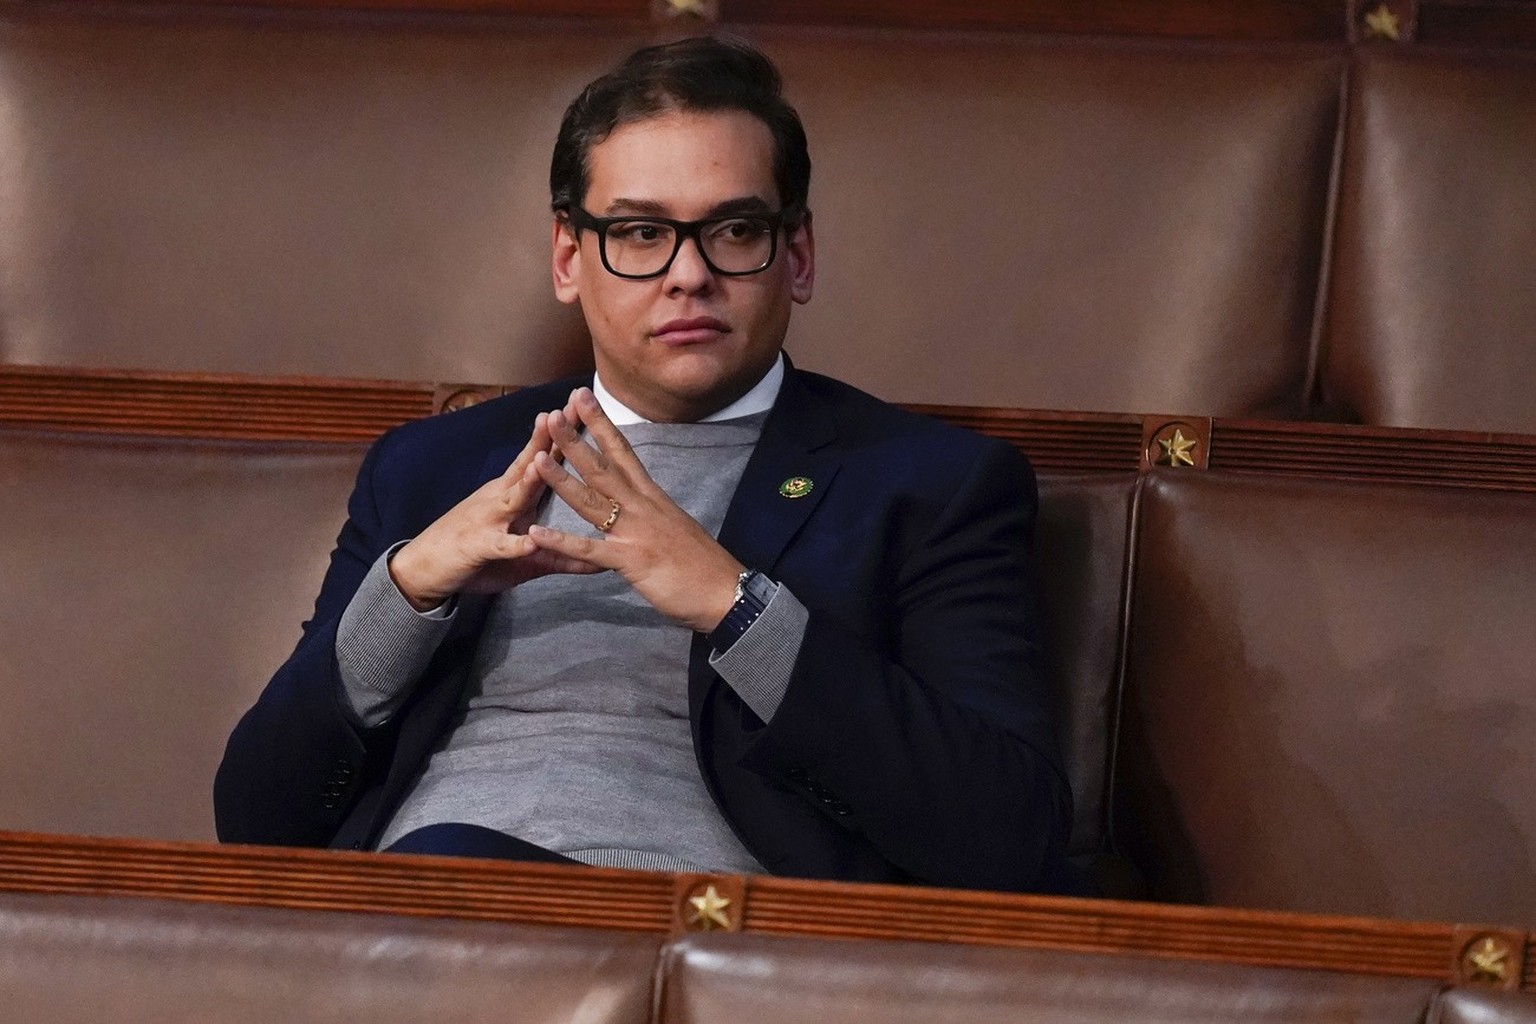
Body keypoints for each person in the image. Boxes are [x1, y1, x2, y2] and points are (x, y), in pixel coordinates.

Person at [215, 35, 1079, 894]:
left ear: (799, 255)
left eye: (736, 230)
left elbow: (1009, 837)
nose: (690, 275)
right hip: (417, 917)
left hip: (703, 939)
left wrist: (734, 606)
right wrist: (405, 595)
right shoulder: (432, 468)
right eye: (640, 232)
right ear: (567, 258)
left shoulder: (931, 484)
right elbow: (256, 819)